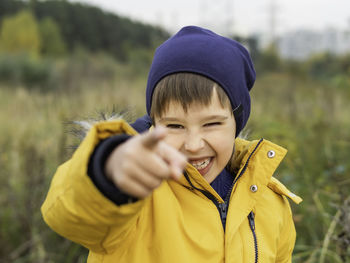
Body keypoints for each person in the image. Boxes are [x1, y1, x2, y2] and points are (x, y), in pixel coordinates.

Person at [41, 26, 302, 263]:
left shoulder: (270, 201)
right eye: (175, 126)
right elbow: (69, 216)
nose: (192, 144)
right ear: (154, 124)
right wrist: (109, 173)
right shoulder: (137, 195)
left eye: (211, 124)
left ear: (237, 121)